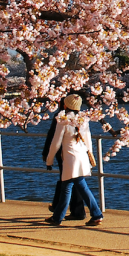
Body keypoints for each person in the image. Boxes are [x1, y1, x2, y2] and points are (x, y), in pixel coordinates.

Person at [45, 94, 104, 227]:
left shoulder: (63, 119)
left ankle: (96, 214)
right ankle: (57, 217)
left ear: (66, 105)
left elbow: (56, 142)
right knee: (70, 186)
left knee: (71, 187)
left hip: (70, 158)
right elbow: (88, 140)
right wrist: (90, 158)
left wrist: (49, 160)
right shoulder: (83, 119)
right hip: (82, 155)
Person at [43, 97, 86, 220]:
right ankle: (77, 211)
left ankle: (59, 211)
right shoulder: (82, 117)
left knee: (67, 183)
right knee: (75, 183)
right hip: (79, 153)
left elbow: (54, 137)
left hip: (65, 154)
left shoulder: (62, 118)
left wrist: (47, 156)